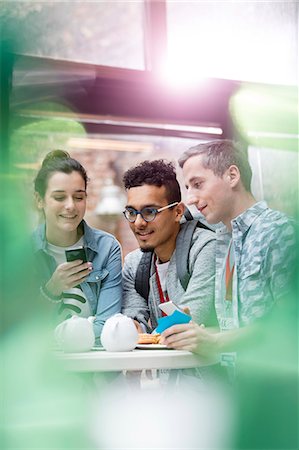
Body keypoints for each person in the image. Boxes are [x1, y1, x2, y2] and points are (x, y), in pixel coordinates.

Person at [161, 139, 296, 358]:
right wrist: (196, 333)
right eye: (187, 188)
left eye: (197, 184)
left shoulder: (281, 232)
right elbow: (236, 330)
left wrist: (216, 341)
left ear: (232, 176)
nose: (191, 199)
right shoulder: (225, 240)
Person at [32, 150, 122, 341]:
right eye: (59, 197)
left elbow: (108, 327)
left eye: (79, 197)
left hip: (96, 367)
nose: (71, 206)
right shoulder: (22, 253)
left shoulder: (106, 248)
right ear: (40, 200)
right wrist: (52, 290)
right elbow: (20, 330)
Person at [121, 159, 217, 336]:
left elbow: (190, 317)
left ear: (178, 212)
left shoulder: (205, 247)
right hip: (160, 363)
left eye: (150, 212)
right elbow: (133, 319)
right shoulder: (134, 264)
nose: (139, 223)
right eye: (132, 213)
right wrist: (131, 328)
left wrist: (145, 335)